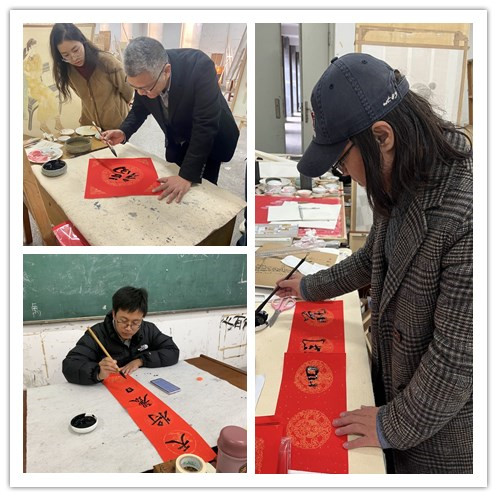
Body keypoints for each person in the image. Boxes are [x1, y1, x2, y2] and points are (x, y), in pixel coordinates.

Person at [276, 53, 472, 474]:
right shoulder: (406, 175)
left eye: (342, 161)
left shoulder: (468, 214)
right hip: (397, 382)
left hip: (441, 430)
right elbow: (372, 259)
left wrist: (392, 423)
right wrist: (308, 287)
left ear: (382, 136)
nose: (345, 173)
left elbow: (457, 358)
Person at [101, 36, 240, 204]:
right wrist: (124, 131)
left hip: (211, 138)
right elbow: (139, 109)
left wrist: (186, 176)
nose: (141, 93)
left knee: (202, 191)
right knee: (173, 184)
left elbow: (205, 124)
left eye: (146, 88)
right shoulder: (145, 79)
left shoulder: (199, 66)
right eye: (135, 87)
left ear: (166, 71)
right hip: (178, 136)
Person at [62, 286, 179, 385]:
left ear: (142, 317)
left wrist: (141, 361)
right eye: (123, 321)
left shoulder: (148, 329)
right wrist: (98, 372)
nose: (128, 328)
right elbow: (69, 365)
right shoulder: (97, 334)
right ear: (114, 314)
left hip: (140, 384)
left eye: (135, 322)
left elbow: (172, 351)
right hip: (107, 392)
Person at [49, 23, 134, 131]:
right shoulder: (68, 70)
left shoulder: (107, 62)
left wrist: (115, 108)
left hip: (117, 124)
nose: (73, 58)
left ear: (82, 41)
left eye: (75, 50)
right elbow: (83, 96)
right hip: (90, 127)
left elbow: (128, 91)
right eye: (66, 55)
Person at [23, 38, 64, 134]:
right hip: (29, 87)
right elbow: (23, 72)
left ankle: (57, 122)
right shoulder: (24, 58)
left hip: (39, 84)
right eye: (34, 47)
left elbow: (39, 71)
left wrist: (32, 74)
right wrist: (28, 56)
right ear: (29, 47)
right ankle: (43, 124)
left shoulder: (37, 57)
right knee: (43, 100)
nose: (35, 49)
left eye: (36, 47)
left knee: (51, 95)